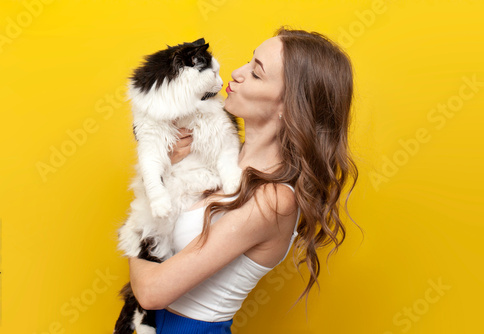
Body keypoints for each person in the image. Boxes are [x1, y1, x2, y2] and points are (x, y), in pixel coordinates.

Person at [128, 27, 359, 333]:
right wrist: (159, 170)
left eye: (257, 74)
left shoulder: (273, 200)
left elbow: (151, 292)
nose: (236, 73)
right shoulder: (215, 161)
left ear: (288, 107)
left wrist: (141, 218)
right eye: (250, 62)